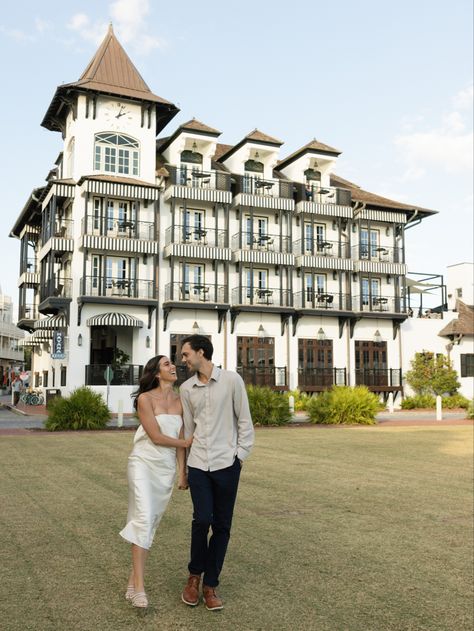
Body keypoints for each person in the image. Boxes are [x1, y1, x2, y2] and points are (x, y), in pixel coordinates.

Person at [179, 334, 254, 611]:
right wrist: (184, 470)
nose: (183, 359)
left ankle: (211, 585)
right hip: (198, 463)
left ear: (201, 352)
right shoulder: (186, 389)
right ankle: (193, 577)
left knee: (222, 526)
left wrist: (239, 457)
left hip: (227, 464)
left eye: (186, 354)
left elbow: (244, 421)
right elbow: (188, 430)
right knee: (201, 520)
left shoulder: (232, 381)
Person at [119, 355, 193, 609]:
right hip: (143, 462)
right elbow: (156, 436)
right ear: (156, 373)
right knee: (143, 516)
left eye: (173, 364)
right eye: (166, 364)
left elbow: (182, 434)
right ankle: (140, 588)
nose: (173, 367)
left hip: (165, 469)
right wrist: (183, 443)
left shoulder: (181, 400)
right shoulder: (145, 399)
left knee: (150, 523)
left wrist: (183, 473)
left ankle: (132, 582)